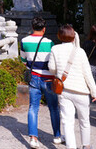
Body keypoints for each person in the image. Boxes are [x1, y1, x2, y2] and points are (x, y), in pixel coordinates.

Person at [49, 24, 96, 149]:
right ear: (73, 36)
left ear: (59, 36)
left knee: (67, 121)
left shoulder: (55, 49)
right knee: (84, 121)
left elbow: (52, 69)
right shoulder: (80, 51)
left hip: (64, 90)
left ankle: (71, 147)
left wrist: (59, 73)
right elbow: (87, 73)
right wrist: (94, 91)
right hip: (81, 91)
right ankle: (86, 146)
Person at [19, 15, 63, 148]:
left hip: (33, 77)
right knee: (54, 108)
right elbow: (54, 61)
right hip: (49, 78)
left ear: (32, 27)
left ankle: (33, 138)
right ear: (44, 29)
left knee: (33, 107)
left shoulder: (24, 41)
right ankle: (56, 136)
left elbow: (23, 59)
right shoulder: (50, 43)